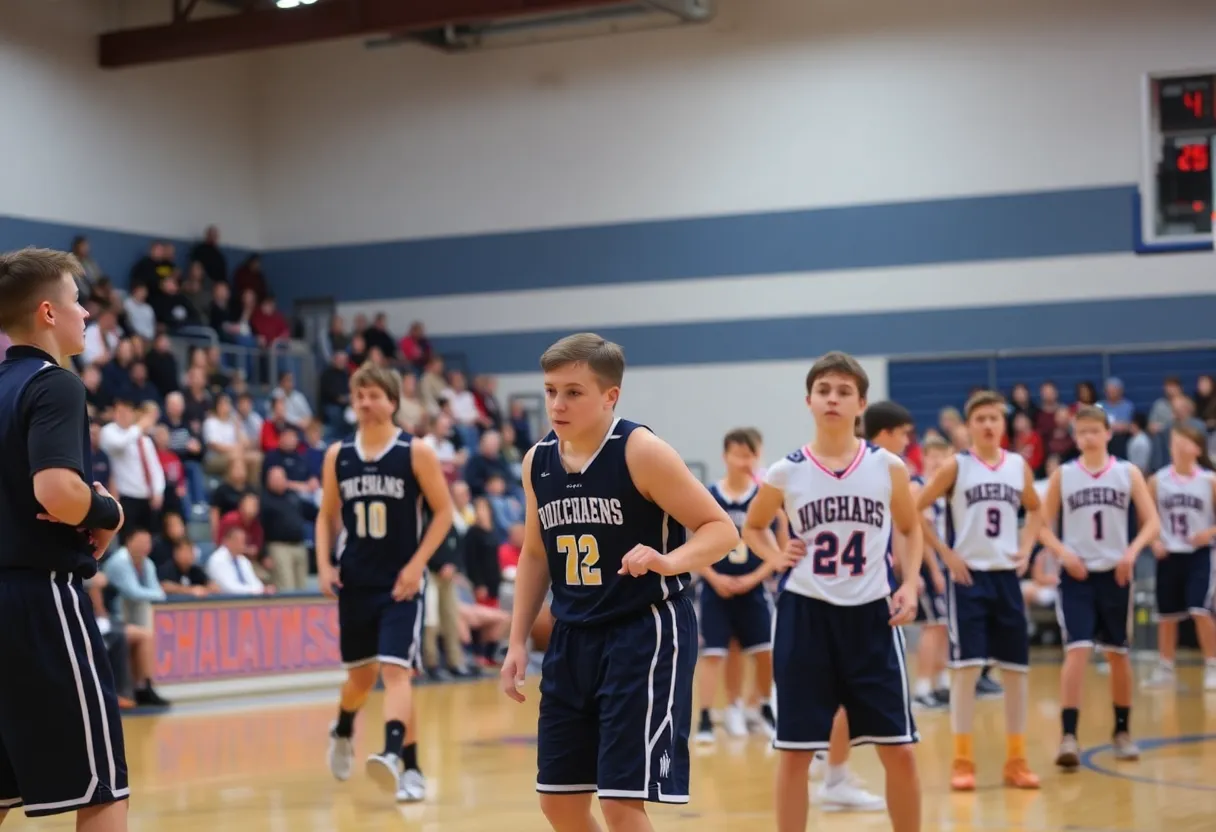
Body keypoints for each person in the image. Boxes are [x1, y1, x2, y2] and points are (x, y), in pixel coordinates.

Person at [498, 333, 737, 832]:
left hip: (643, 632)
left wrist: (669, 560)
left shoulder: (640, 451)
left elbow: (721, 529)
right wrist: (517, 639)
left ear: (611, 396)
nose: (557, 404)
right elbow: (536, 553)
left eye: (573, 392)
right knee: (559, 803)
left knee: (621, 802)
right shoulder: (536, 462)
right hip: (571, 638)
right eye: (550, 391)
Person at [743, 352, 922, 832]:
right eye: (824, 390)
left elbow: (909, 526)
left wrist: (910, 581)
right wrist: (774, 555)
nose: (833, 399)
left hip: (872, 616)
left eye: (844, 391)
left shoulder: (889, 467)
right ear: (809, 401)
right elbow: (755, 526)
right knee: (796, 754)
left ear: (861, 403)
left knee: (900, 750)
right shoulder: (785, 470)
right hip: (806, 616)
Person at [0, 247, 129, 829]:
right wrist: (105, 510)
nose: (85, 314)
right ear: (48, 313)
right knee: (100, 788)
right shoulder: (57, 385)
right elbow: (57, 490)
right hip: (39, 599)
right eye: (77, 301)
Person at [318, 362, 454, 803]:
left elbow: (444, 512)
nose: (365, 402)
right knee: (361, 680)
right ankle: (342, 728)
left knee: (397, 672)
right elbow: (326, 515)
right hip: (356, 581)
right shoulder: (338, 454)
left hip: (401, 584)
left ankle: (401, 760)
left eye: (374, 395)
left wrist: (417, 565)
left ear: (393, 401)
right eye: (359, 396)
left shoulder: (416, 452)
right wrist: (323, 563)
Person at [916, 390, 1044, 792]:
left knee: (1016, 672)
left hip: (1006, 576)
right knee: (967, 670)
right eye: (981, 419)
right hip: (968, 579)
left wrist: (1026, 547)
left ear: (1003, 425)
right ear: (968, 427)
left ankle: (1017, 759)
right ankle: (962, 759)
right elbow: (916, 507)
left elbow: (1037, 509)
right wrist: (944, 554)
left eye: (994, 418)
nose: (988, 425)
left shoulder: (1018, 466)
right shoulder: (956, 466)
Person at [1035, 405, 1159, 767]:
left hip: (1116, 575)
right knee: (1077, 650)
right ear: (1075, 436)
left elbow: (1151, 523)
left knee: (1118, 655)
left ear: (1107, 434)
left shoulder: (1127, 472)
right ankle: (1068, 736)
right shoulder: (1064, 475)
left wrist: (1132, 553)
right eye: (1081, 431)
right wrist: (1062, 553)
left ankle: (1122, 730)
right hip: (1076, 577)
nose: (1088, 437)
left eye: (1094, 430)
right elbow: (1041, 526)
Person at [695, 429, 781, 744]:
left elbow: (779, 552)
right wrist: (714, 577)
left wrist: (752, 578)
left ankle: (762, 707)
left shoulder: (765, 498)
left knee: (764, 652)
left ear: (759, 457)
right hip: (716, 588)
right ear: (725, 456)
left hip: (754, 587)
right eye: (738, 454)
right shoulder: (708, 496)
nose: (744, 461)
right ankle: (708, 716)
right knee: (715, 653)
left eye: (750, 455)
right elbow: (694, 546)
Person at [1142, 424, 1216, 691]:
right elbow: (1146, 518)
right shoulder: (1157, 480)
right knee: (1167, 616)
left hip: (1199, 555)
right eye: (1174, 441)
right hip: (1169, 554)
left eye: (1183, 441)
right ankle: (1165, 669)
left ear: (1196, 448)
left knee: (1200, 610)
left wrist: (1209, 532)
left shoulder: (1209, 480)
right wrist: (1153, 541)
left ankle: (1212, 665)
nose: (1176, 446)